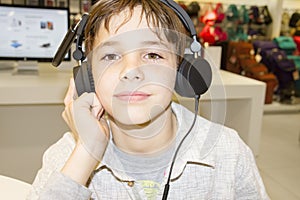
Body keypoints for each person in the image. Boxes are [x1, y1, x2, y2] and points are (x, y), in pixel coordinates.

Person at [27, 0, 269, 199]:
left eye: (152, 54)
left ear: (181, 69)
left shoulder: (228, 151)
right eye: (111, 55)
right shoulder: (66, 156)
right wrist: (86, 154)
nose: (131, 71)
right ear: (87, 76)